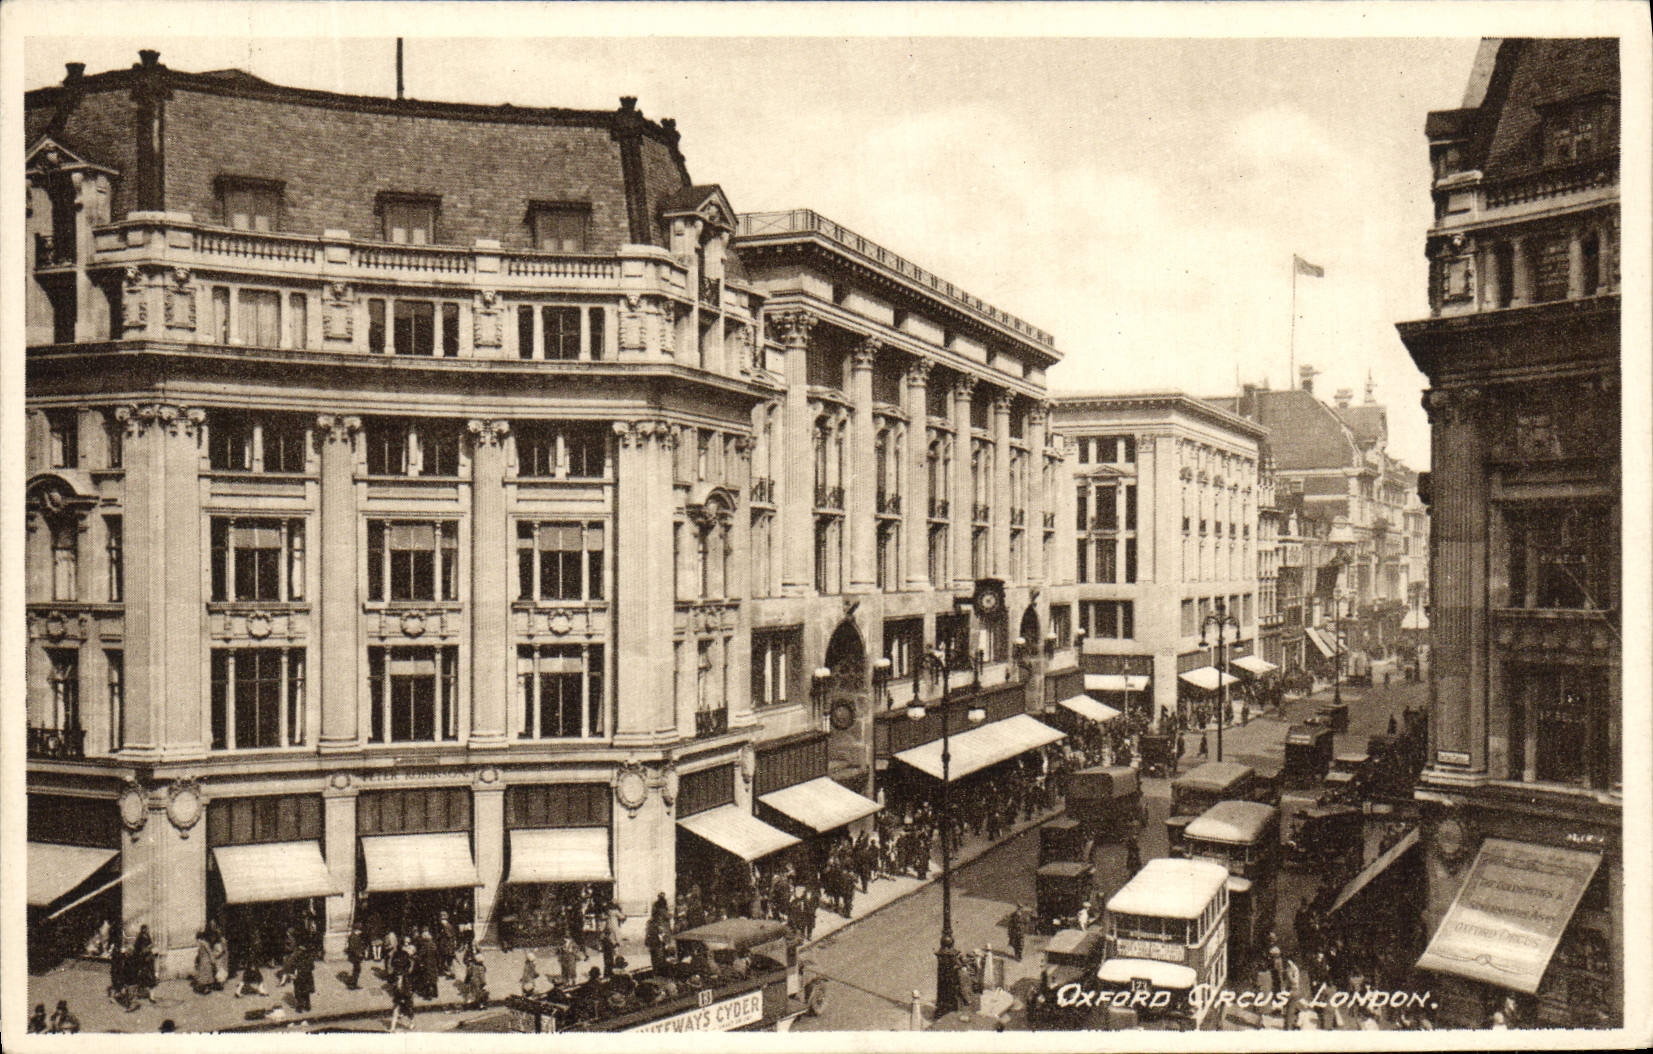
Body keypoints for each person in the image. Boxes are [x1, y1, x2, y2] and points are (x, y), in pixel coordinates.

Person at [192, 929, 216, 994]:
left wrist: (212, 960)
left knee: (204, 974)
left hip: (205, 960)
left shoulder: (203, 943)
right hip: (204, 960)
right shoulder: (203, 943)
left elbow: (209, 952)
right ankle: (205, 988)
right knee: (205, 974)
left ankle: (205, 988)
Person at [292, 948, 316, 1014]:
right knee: (306, 992)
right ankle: (307, 1006)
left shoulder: (296, 957)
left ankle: (300, 1006)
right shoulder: (309, 957)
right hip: (307, 976)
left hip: (300, 976)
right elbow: (312, 967)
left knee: (299, 992)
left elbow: (293, 966)